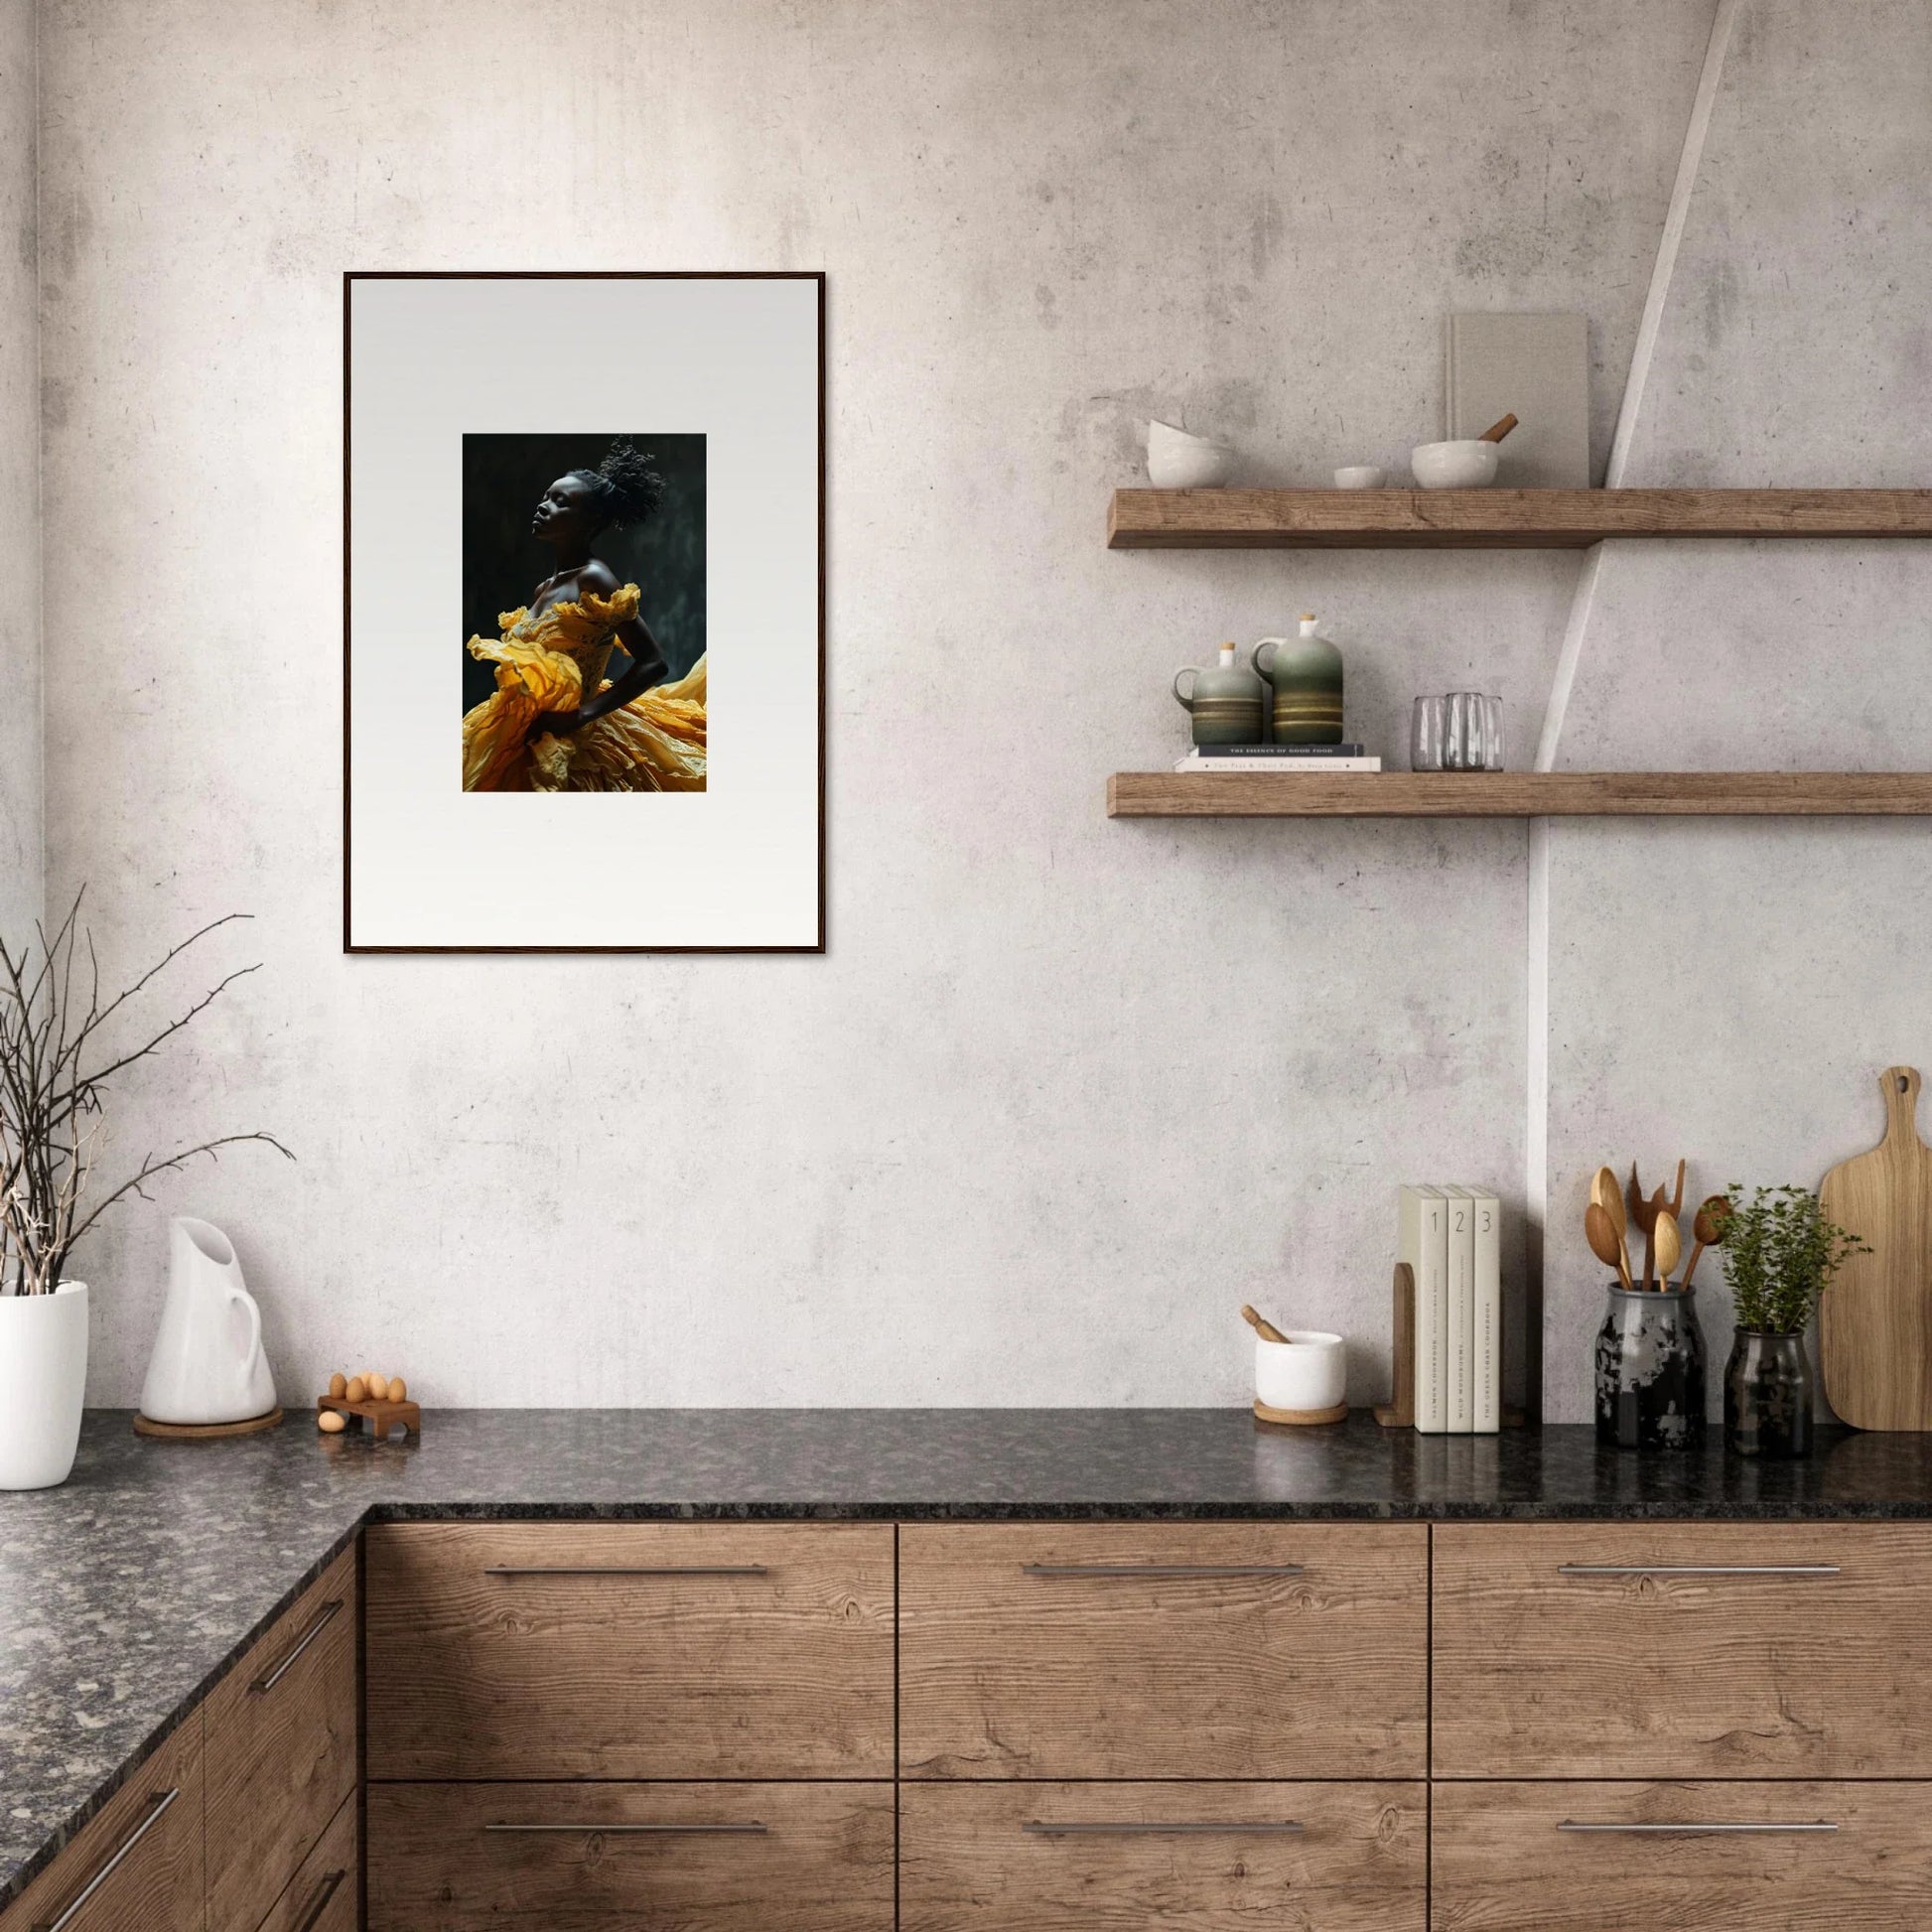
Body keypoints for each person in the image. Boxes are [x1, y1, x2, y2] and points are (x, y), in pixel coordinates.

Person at [462, 439, 706, 792]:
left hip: (578, 744)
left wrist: (580, 716)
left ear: (589, 522)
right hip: (521, 733)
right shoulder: (544, 588)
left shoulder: (595, 577)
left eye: (561, 502)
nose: (544, 505)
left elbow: (653, 663)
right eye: (547, 496)